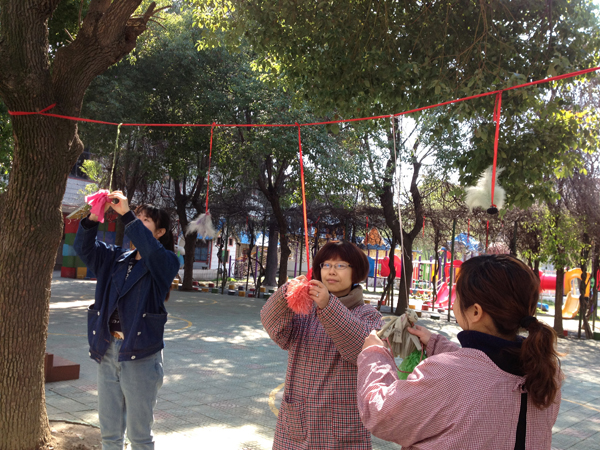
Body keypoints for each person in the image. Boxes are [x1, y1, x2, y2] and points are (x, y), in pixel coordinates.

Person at [357, 254, 563, 450]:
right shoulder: (545, 370)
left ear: (475, 312)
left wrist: (374, 355)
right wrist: (437, 344)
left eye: (458, 296)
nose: (454, 302)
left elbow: (380, 413)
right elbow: (482, 371)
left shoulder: (447, 374)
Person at [73, 191, 179, 450]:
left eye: (145, 220)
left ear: (159, 233)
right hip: (108, 350)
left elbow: (152, 252)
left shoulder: (166, 262)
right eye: (137, 217)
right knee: (109, 433)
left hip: (140, 355)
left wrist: (128, 215)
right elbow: (84, 248)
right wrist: (93, 217)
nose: (137, 222)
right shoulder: (115, 258)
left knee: (139, 436)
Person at [261, 241, 383, 450]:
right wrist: (285, 295)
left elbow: (359, 349)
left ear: (356, 271)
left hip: (341, 425)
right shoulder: (306, 311)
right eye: (326, 265)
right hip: (298, 421)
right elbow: (273, 326)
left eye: (340, 265)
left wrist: (328, 305)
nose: (331, 271)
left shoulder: (369, 316)